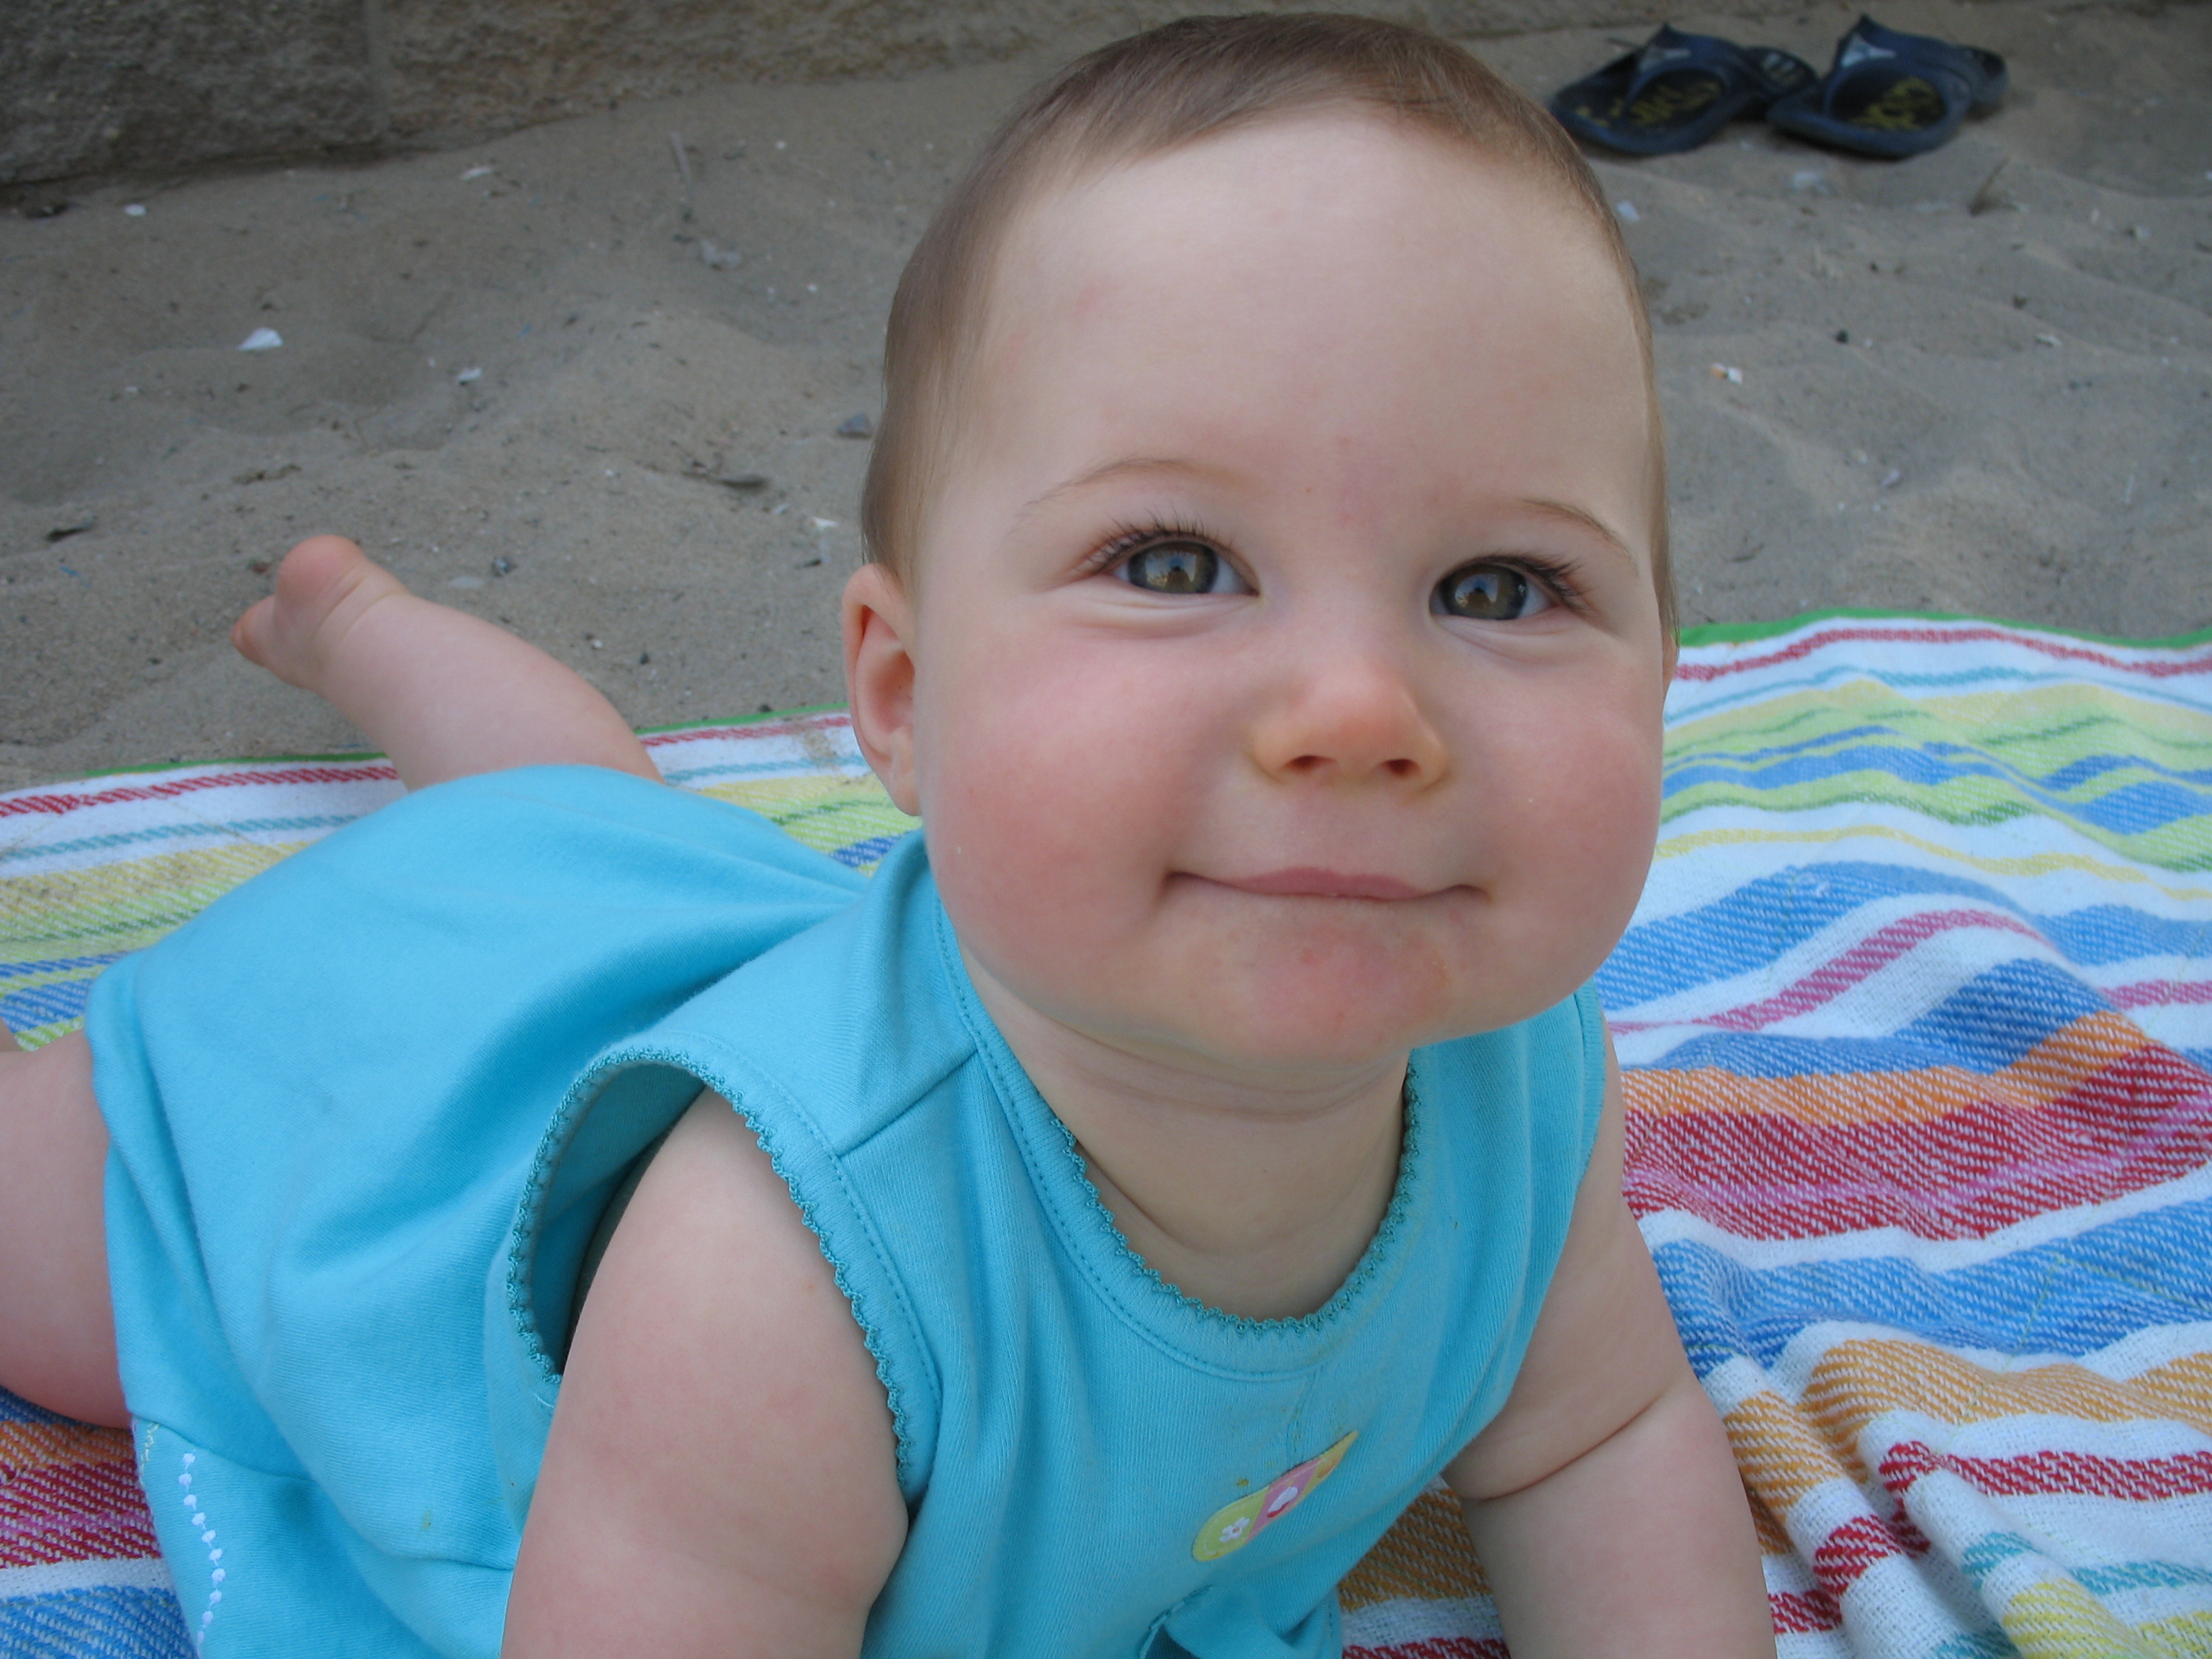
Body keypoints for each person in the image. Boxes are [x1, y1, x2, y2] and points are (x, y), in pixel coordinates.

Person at [0, 15, 1773, 1658]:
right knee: (67, 1283)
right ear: (906, 698)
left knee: (590, 819)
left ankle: (377, 638)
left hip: (646, 897)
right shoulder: (782, 1269)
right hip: (376, 1080)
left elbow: (1597, 1439)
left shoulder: (1527, 1086)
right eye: (1177, 565)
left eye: (1501, 586)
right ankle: (380, 689)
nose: (1360, 708)